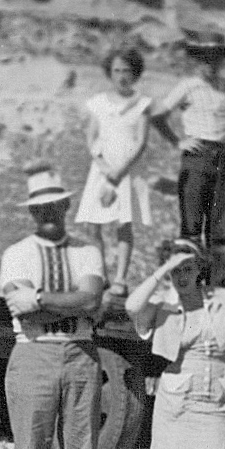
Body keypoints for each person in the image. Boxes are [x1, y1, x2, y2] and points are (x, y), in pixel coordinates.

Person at [0, 165, 111, 449]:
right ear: (31, 211)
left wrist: (39, 298)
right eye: (39, 208)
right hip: (35, 352)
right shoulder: (16, 253)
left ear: (66, 207)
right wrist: (72, 303)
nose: (47, 213)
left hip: (80, 353)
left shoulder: (87, 251)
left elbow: (91, 299)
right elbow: (25, 314)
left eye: (54, 205)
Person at [127, 238, 225, 449]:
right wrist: (164, 268)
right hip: (177, 403)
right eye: (176, 270)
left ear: (199, 269)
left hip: (217, 402)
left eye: (187, 268)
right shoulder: (164, 304)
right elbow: (132, 305)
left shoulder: (222, 298)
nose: (181, 276)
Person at [152, 33, 225, 246]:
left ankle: (216, 278)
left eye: (216, 58)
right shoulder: (187, 86)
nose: (211, 64)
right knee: (191, 222)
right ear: (199, 59)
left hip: (221, 158)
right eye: (206, 58)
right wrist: (178, 142)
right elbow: (158, 116)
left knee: (218, 226)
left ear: (222, 61)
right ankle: (190, 276)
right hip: (197, 156)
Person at [77, 46, 156, 297]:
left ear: (136, 74)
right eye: (116, 70)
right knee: (93, 224)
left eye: (127, 71)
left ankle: (121, 278)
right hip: (102, 169)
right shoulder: (98, 103)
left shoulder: (142, 104)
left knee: (124, 224)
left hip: (127, 170)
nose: (121, 76)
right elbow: (90, 137)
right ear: (109, 73)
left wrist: (120, 170)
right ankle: (101, 275)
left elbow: (141, 142)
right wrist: (102, 165)